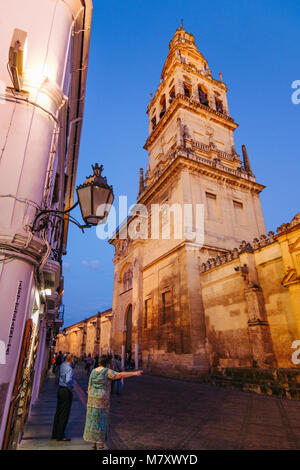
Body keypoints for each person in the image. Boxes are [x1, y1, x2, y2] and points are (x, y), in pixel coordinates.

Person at [83, 354, 142, 450]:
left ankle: (93, 444)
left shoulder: (93, 371)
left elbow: (89, 387)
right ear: (107, 363)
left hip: (92, 399)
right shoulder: (106, 371)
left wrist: (92, 395)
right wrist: (134, 373)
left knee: (92, 420)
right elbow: (119, 375)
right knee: (101, 421)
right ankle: (101, 444)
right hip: (102, 400)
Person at [51, 354, 74, 442]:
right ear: (71, 360)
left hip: (60, 390)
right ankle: (60, 435)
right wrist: (70, 388)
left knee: (58, 412)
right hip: (66, 391)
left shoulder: (63, 365)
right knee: (64, 414)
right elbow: (68, 380)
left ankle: (55, 433)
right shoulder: (69, 368)